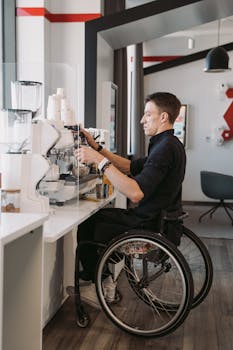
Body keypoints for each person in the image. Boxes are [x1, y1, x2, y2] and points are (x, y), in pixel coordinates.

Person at [74, 92, 186, 285]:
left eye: (147, 114)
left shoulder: (164, 149)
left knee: (87, 225)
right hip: (162, 218)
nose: (142, 120)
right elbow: (129, 166)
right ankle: (105, 273)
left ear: (164, 117)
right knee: (101, 218)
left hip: (148, 222)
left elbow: (135, 193)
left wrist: (98, 161)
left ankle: (98, 282)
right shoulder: (169, 143)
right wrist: (97, 149)